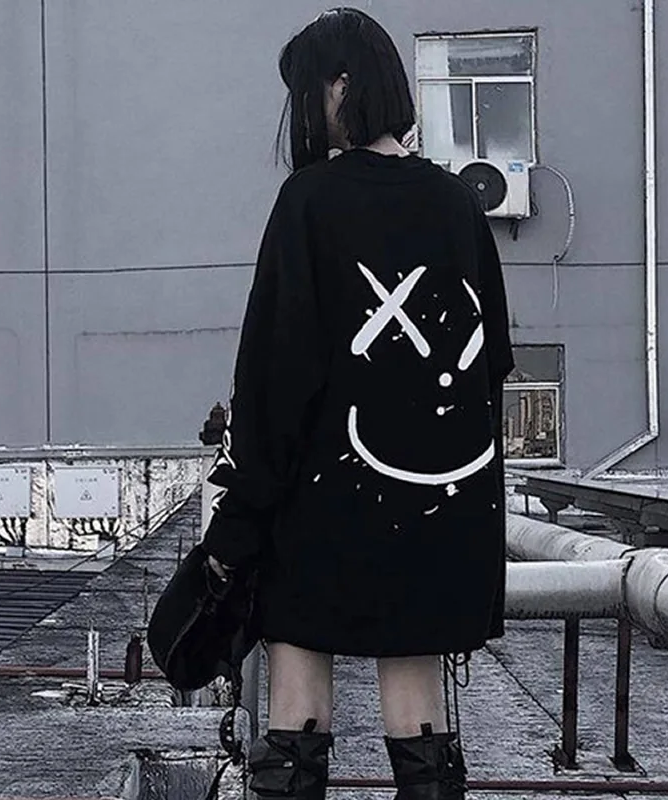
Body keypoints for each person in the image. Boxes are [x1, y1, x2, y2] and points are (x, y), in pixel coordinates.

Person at [203, 8, 515, 800]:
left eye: (308, 90)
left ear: (340, 85)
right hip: (440, 502)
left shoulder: (310, 201)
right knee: (419, 707)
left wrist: (241, 515)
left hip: (321, 505)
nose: (304, 110)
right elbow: (492, 362)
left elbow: (273, 378)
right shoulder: (457, 205)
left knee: (297, 698)